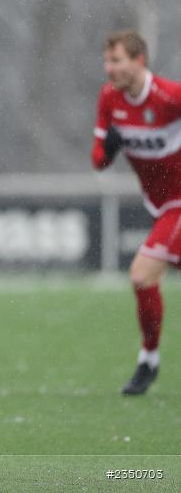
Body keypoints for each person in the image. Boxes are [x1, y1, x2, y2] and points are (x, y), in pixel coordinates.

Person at [92, 29, 181, 395]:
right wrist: (110, 149)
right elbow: (98, 161)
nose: (109, 68)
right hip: (159, 206)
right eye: (107, 60)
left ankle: (149, 360)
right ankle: (150, 359)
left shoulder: (169, 97)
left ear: (138, 60)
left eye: (116, 60)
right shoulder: (109, 99)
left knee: (142, 275)